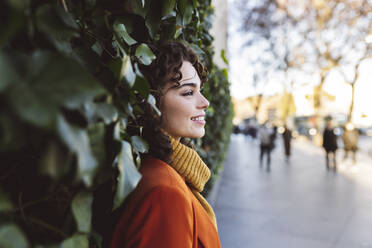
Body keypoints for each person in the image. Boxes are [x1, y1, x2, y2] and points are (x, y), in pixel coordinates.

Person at [110, 41, 221, 248]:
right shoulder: (166, 192)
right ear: (151, 102)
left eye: (200, 90)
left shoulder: (158, 171)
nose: (205, 102)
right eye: (188, 92)